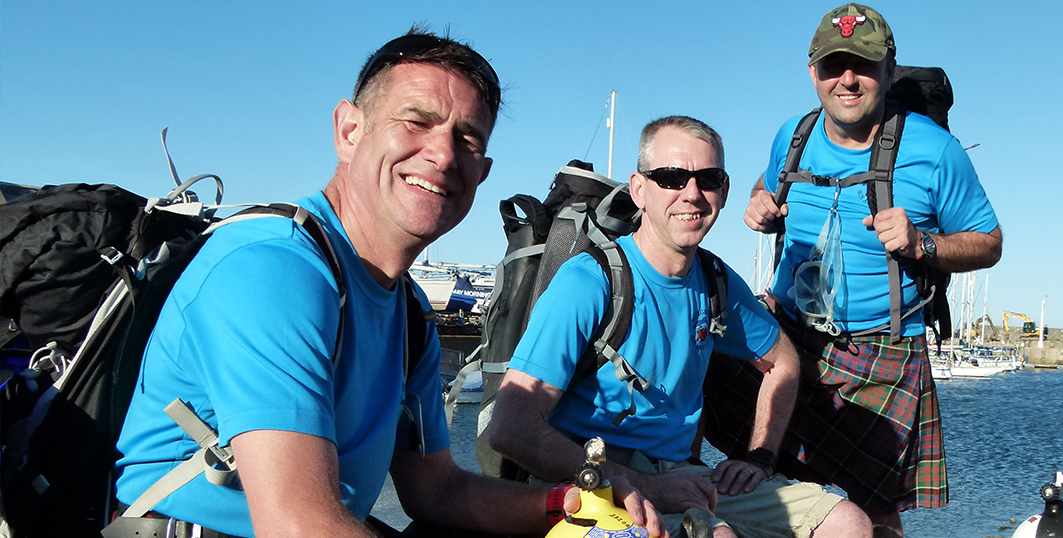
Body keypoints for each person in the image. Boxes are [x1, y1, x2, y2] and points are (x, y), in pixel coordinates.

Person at [110, 28, 663, 538]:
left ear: (484, 170)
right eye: (415, 121)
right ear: (349, 130)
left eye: (467, 138)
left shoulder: (408, 313)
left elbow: (437, 490)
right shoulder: (274, 269)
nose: (443, 154)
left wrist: (563, 503)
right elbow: (299, 525)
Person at [489, 116, 873, 538]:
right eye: (672, 178)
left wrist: (760, 457)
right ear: (640, 189)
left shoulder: (715, 281)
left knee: (847, 522)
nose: (691, 194)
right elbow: (510, 427)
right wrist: (647, 486)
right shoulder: (589, 282)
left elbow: (782, 361)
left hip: (681, 475)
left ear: (724, 192)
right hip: (590, 478)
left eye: (707, 179)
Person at [724, 4, 1003, 538]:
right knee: (763, 475)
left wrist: (923, 243)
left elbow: (988, 244)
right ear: (813, 72)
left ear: (888, 71)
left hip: (881, 352)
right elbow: (765, 186)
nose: (847, 79)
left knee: (876, 510)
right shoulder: (793, 134)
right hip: (786, 337)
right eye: (833, 65)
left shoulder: (935, 150)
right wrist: (759, 203)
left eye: (864, 65)